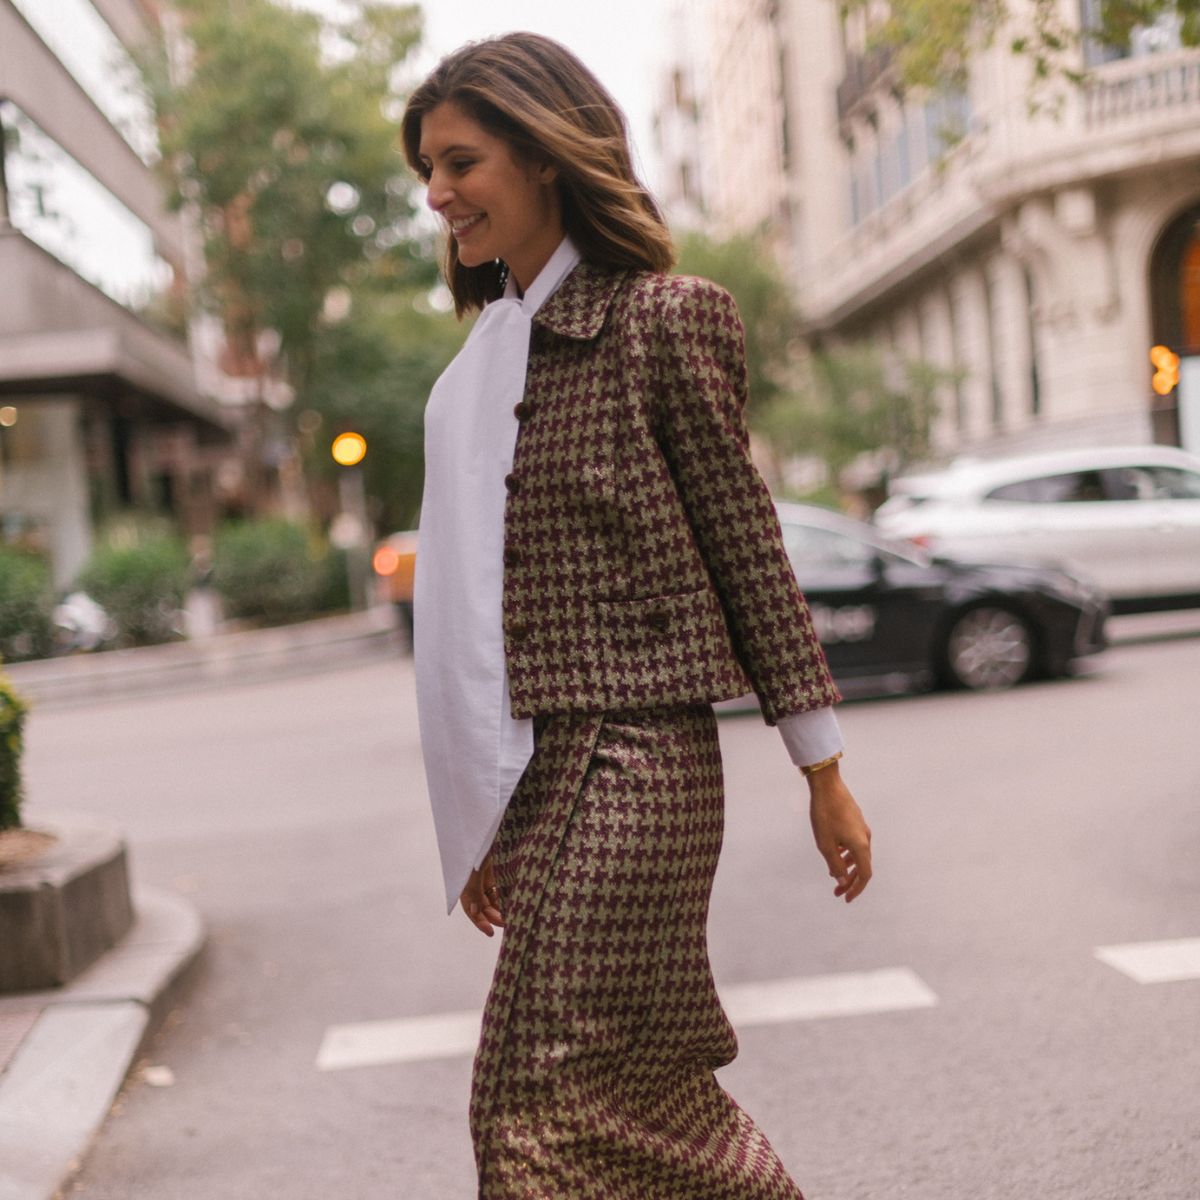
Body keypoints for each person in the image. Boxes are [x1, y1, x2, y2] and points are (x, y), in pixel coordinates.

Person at [401, 32, 872, 1199]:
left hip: (640, 758)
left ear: (545, 155)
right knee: (619, 1092)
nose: (438, 193)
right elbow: (467, 621)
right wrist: (481, 810)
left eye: (459, 161)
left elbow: (746, 546)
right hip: (540, 768)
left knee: (537, 1101)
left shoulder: (668, 321)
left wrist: (822, 768)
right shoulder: (478, 368)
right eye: (428, 169)